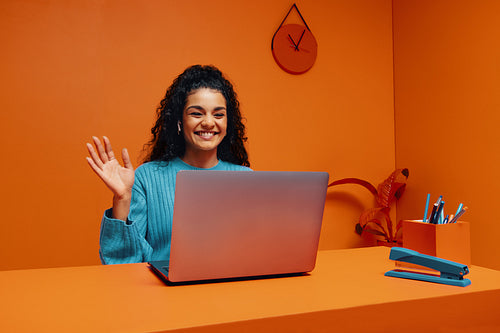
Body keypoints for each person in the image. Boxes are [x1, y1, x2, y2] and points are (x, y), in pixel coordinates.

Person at [86, 65, 251, 265]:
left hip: (232, 291)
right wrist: (122, 199)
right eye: (197, 114)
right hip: (166, 293)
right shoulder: (147, 177)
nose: (209, 122)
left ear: (227, 124)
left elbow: (256, 251)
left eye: (218, 115)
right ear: (180, 122)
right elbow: (122, 264)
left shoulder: (246, 178)